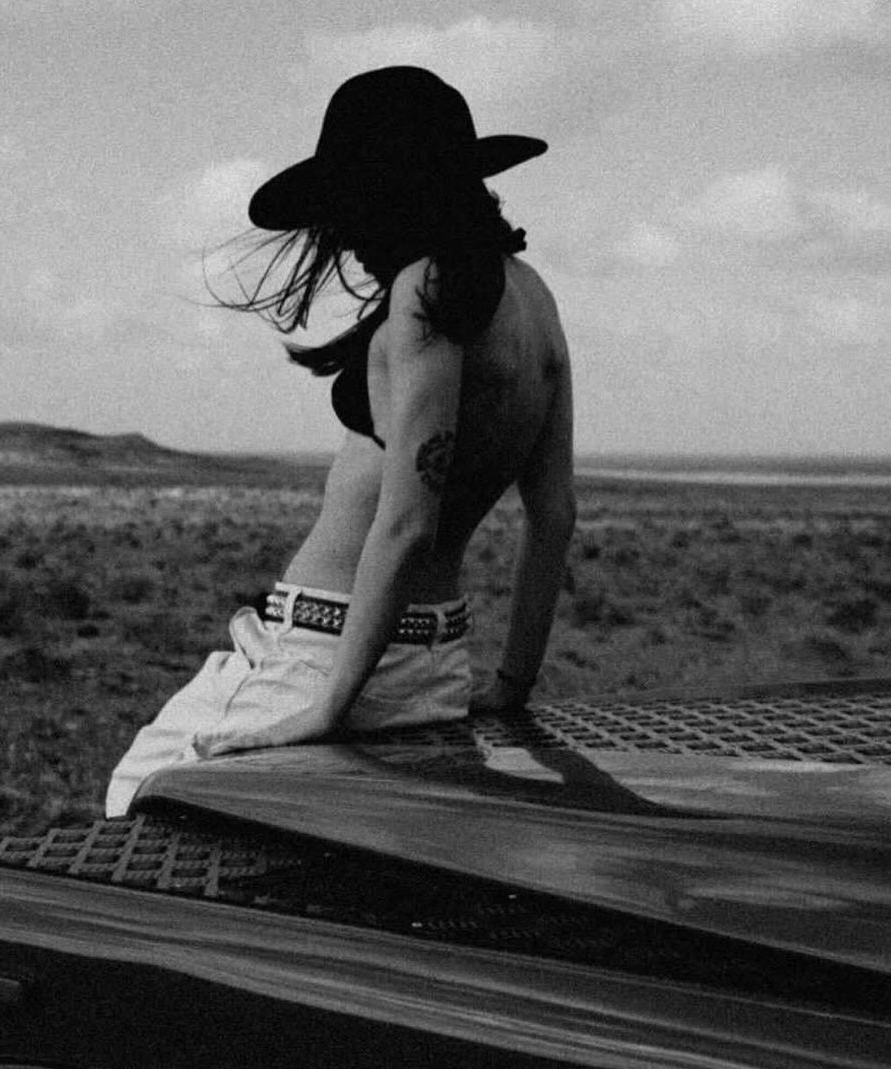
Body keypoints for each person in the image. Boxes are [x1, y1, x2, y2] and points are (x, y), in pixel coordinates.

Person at [105, 65, 575, 818]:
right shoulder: (534, 297)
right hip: (435, 661)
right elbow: (553, 515)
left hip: (330, 654)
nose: (346, 232)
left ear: (398, 195)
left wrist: (327, 706)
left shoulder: (424, 292)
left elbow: (407, 521)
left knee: (142, 790)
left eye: (354, 204)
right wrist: (514, 683)